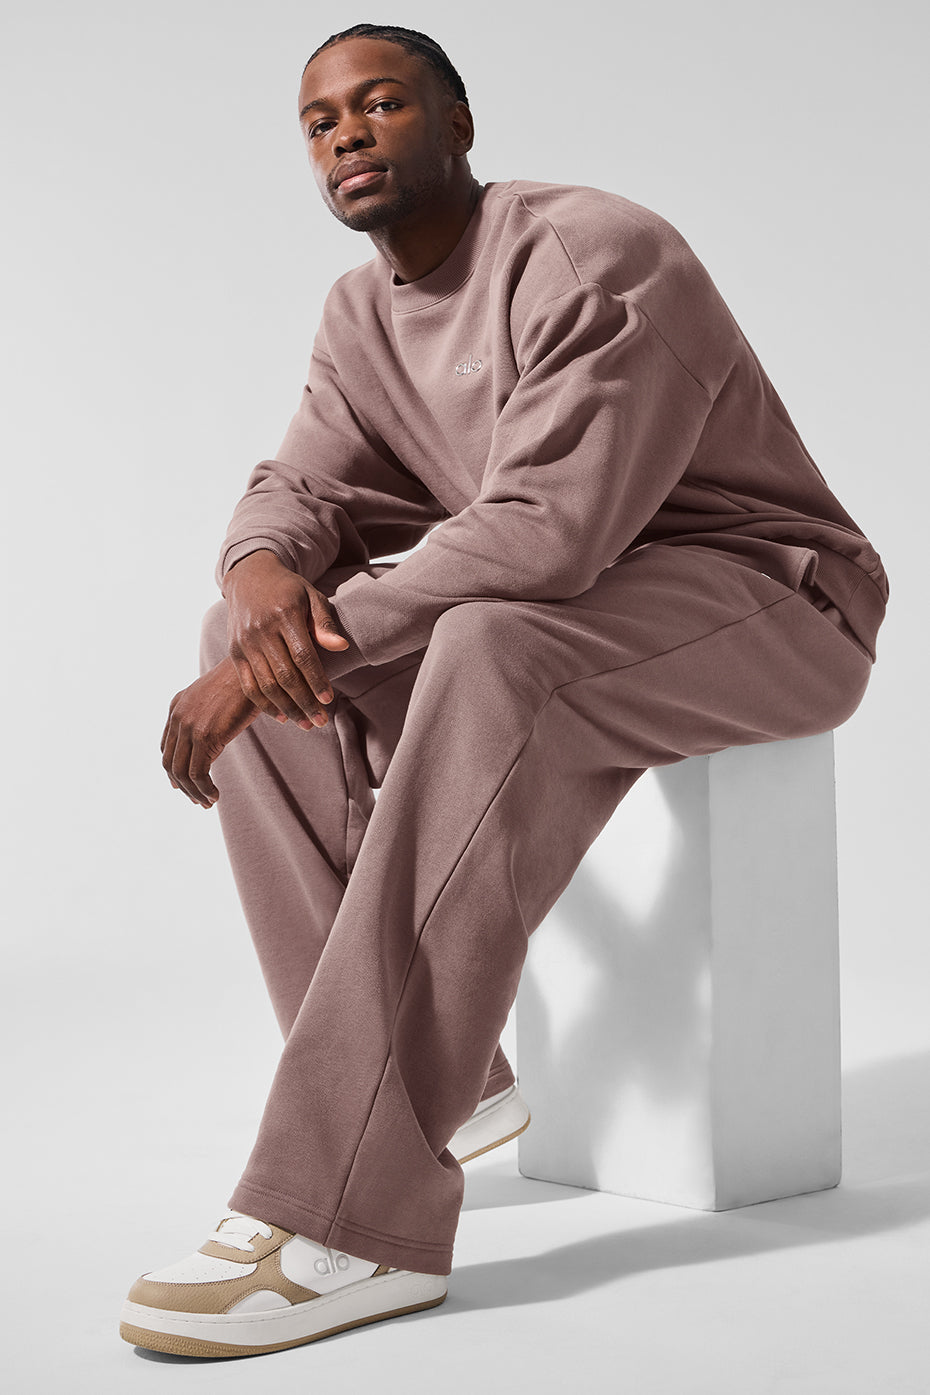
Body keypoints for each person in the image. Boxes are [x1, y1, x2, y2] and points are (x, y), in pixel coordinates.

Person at [120, 22, 889, 1359]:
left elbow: (545, 535)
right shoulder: (361, 312)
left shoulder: (594, 253)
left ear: (459, 124)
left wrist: (276, 653)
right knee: (248, 657)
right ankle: (447, 1083)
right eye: (320, 122)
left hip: (772, 598)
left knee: (483, 646)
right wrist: (255, 580)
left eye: (381, 104)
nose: (348, 135)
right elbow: (306, 485)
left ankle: (349, 1217)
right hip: (593, 605)